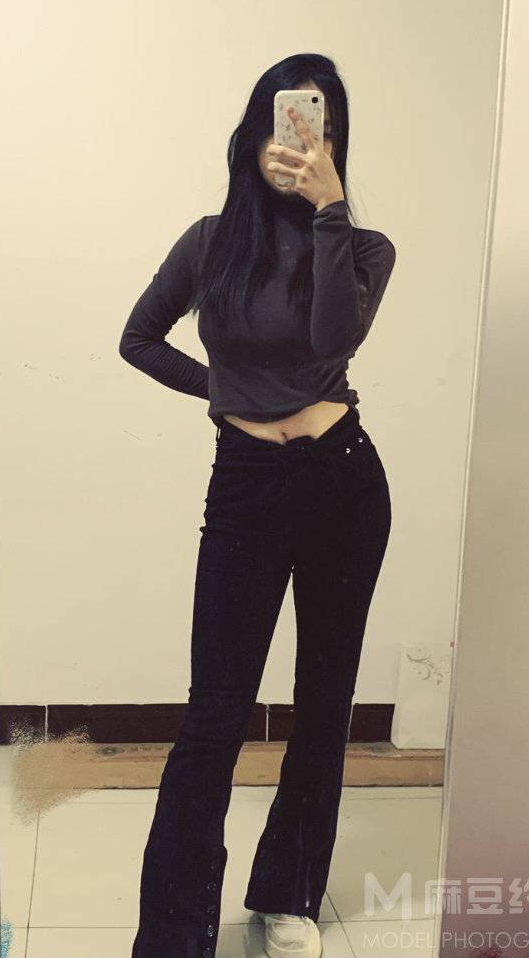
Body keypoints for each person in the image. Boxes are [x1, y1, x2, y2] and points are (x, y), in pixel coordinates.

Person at [119, 53, 396, 958]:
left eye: (323, 129)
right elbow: (138, 338)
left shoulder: (363, 249)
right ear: (253, 135)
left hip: (344, 485)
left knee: (324, 701)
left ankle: (289, 893)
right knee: (215, 713)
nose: (302, 142)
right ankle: (174, 934)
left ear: (336, 145)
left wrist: (330, 208)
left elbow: (331, 338)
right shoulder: (211, 243)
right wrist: (227, 390)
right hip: (245, 484)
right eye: (290, 123)